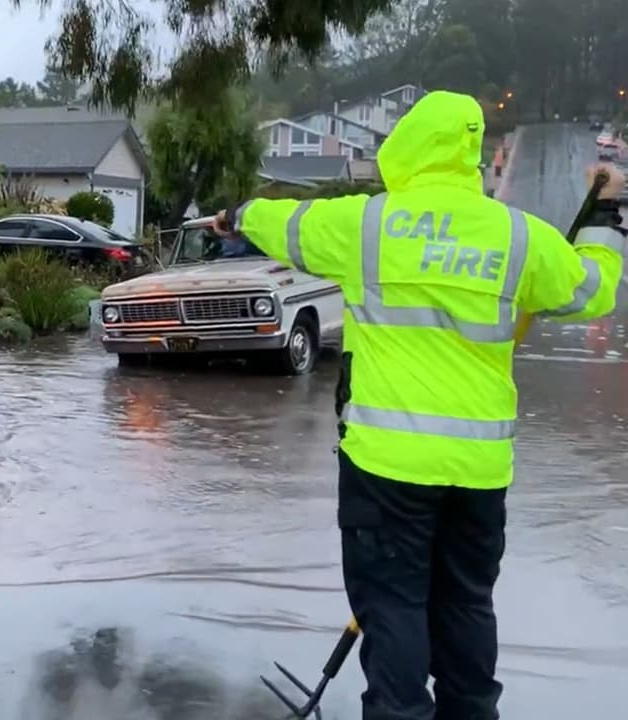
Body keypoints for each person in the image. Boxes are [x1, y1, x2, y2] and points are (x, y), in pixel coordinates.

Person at [213, 90, 625, 720]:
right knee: (465, 605)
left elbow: (282, 223)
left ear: (407, 144)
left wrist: (237, 214)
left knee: (396, 607)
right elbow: (594, 288)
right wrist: (607, 212)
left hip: (387, 468)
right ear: (472, 154)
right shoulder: (519, 237)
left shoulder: (366, 223)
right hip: (479, 472)